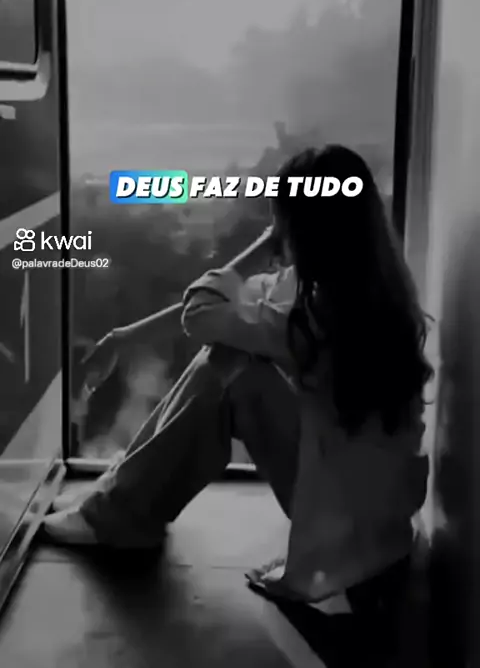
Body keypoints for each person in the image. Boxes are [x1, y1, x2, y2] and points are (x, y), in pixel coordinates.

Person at [42, 144, 433, 607]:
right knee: (231, 355)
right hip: (378, 525)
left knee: (230, 368)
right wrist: (127, 337)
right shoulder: (366, 292)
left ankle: (120, 514)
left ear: (302, 227)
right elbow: (230, 306)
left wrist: (266, 242)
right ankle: (120, 500)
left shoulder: (321, 318)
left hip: (343, 526)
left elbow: (204, 313)